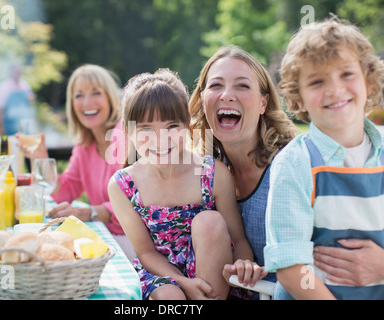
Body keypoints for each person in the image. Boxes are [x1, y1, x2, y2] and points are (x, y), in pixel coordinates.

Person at [108, 68, 264, 300]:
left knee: (208, 221)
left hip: (213, 272)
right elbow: (145, 252)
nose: (161, 140)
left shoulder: (211, 174)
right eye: (146, 129)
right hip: (161, 274)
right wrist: (183, 283)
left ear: (187, 125)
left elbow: (238, 238)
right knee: (171, 295)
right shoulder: (124, 185)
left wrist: (244, 261)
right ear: (128, 131)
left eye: (172, 126)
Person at [264, 18, 384, 299]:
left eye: (346, 74)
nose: (334, 89)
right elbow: (292, 269)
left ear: (368, 80)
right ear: (299, 99)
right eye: (317, 81)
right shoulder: (296, 164)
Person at [189, 45, 299, 298]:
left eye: (242, 85)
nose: (227, 95)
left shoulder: (292, 164)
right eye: (216, 85)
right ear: (202, 98)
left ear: (263, 103)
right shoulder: (205, 171)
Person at [17, 64, 135, 261]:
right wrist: (41, 158)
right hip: (107, 236)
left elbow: (135, 198)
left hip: (134, 241)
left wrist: (91, 212)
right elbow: (65, 190)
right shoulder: (84, 145)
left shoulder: (123, 134)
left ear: (111, 99)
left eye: (96, 93)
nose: (86, 102)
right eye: (78, 95)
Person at [0, 63, 36, 135]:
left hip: (25, 127)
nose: (18, 73)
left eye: (20, 71)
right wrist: (0, 127)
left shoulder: (25, 85)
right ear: (11, 71)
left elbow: (31, 103)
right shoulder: (3, 87)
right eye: (17, 71)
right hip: (9, 127)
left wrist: (32, 99)